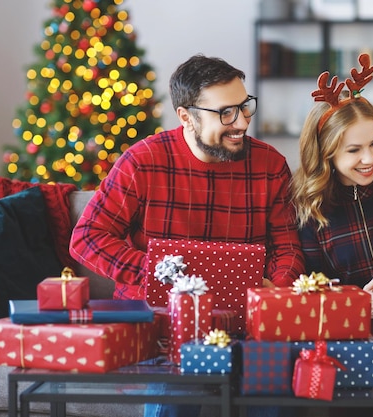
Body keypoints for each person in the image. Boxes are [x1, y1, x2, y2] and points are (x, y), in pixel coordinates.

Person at [69, 54, 305, 417]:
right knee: (174, 400)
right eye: (226, 113)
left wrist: (276, 289)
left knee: (275, 398)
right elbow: (87, 237)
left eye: (245, 107)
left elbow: (287, 246)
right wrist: (158, 273)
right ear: (186, 117)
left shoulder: (270, 165)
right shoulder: (142, 162)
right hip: (164, 326)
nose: (241, 121)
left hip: (247, 324)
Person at [290, 53, 373, 417]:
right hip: (351, 327)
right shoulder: (309, 212)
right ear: (327, 153)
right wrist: (358, 304)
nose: (369, 158)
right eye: (354, 150)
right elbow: (310, 285)